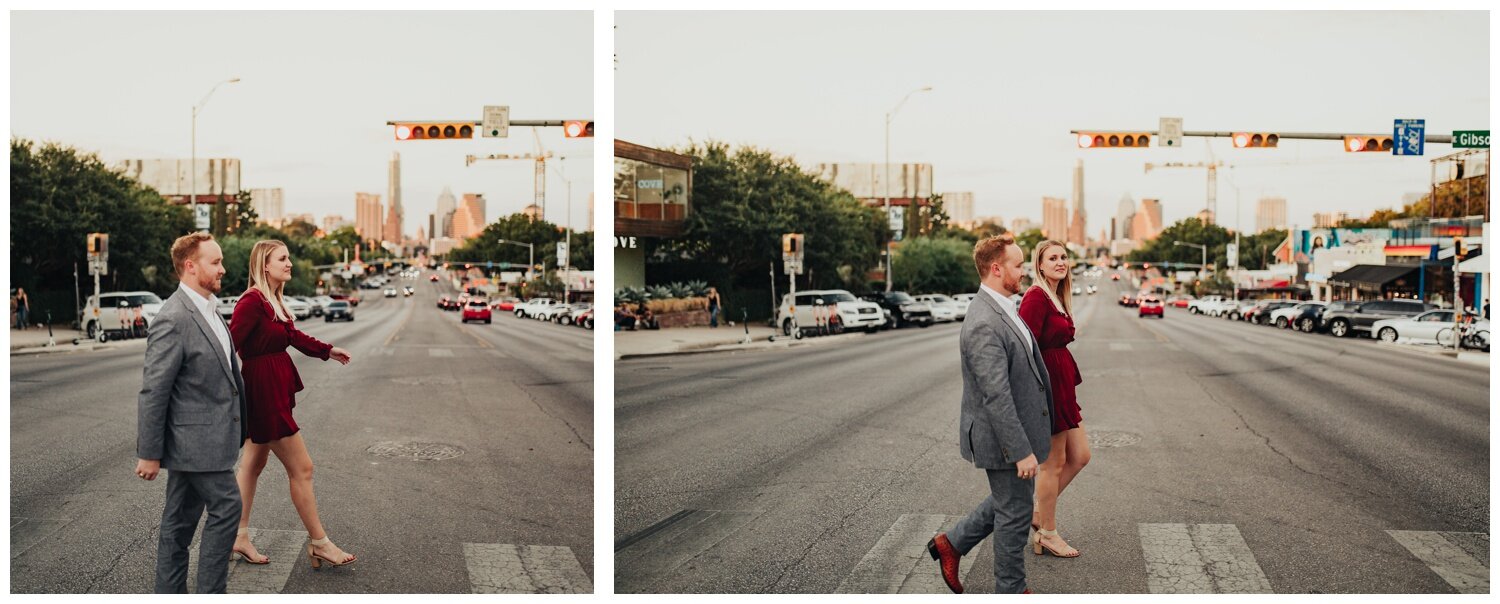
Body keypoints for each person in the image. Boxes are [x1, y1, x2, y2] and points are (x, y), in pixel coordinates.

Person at [928, 233, 1053, 594]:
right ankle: (1011, 591)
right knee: (1014, 514)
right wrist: (1020, 450)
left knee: (1010, 501)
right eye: (1018, 264)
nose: (1024, 269)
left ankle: (950, 544)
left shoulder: (1006, 306)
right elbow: (995, 394)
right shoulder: (984, 321)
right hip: (1002, 438)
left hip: (1017, 431)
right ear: (997, 269)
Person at [229, 240, 356, 570]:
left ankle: (238, 537)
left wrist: (327, 350)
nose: (289, 263)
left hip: (272, 388)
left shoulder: (272, 301)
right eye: (282, 259)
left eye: (289, 257)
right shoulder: (251, 301)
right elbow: (229, 346)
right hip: (264, 394)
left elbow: (293, 337)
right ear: (264, 265)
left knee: (252, 466)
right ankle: (320, 542)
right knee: (303, 468)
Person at [135, 232, 247, 593]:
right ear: (190, 266)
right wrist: (149, 453)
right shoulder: (174, 317)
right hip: (197, 443)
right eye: (215, 262)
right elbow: (155, 389)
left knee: (178, 526)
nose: (222, 269)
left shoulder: (210, 309)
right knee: (228, 508)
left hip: (206, 440)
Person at [1019, 240, 1090, 559]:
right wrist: (1033, 397)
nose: (1060, 262)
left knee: (1081, 456)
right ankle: (1047, 532)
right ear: (1040, 265)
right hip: (1047, 387)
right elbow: (1025, 347)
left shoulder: (1057, 296)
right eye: (1053, 258)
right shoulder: (1035, 296)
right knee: (1053, 464)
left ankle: (1037, 513)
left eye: (1063, 257)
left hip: (1063, 386)